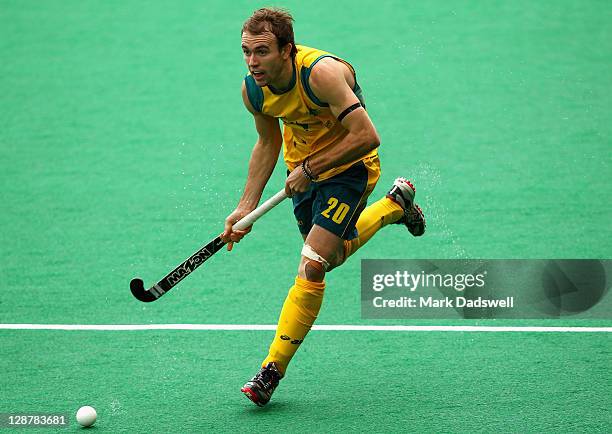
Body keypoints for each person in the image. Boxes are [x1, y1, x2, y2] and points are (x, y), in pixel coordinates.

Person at [220, 7, 426, 407]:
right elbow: (267, 143)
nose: (252, 61)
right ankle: (394, 207)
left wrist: (312, 170)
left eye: (261, 51)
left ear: (286, 50)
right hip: (301, 170)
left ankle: (270, 371)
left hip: (350, 166)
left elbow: (367, 135)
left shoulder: (321, 74)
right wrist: (245, 208)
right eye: (246, 51)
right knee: (330, 256)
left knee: (312, 262)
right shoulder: (253, 90)